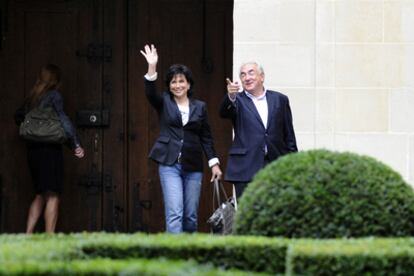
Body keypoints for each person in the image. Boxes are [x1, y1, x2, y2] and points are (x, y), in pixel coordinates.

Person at [140, 44, 222, 233]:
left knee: (190, 216)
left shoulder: (200, 107)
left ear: (189, 84)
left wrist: (214, 163)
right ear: (169, 85)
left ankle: (188, 253)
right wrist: (152, 67)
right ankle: (174, 259)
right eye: (173, 82)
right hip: (169, 164)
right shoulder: (164, 102)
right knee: (175, 213)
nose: (177, 85)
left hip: (193, 165)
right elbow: (150, 92)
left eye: (181, 81)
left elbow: (206, 137)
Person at [15, 64, 84, 233]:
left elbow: (18, 116)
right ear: (56, 80)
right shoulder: (54, 96)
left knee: (40, 194)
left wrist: (36, 129)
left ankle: (27, 235)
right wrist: (75, 144)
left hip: (33, 152)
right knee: (53, 196)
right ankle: (49, 238)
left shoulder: (32, 96)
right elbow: (63, 121)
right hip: (50, 152)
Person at [219, 62, 298, 198]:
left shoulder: (280, 100)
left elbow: (289, 135)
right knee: (248, 214)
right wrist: (231, 96)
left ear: (262, 77)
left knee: (275, 213)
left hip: (276, 165)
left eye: (251, 73)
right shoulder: (237, 100)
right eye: (243, 75)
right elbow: (224, 112)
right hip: (246, 166)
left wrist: (294, 165)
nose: (246, 78)